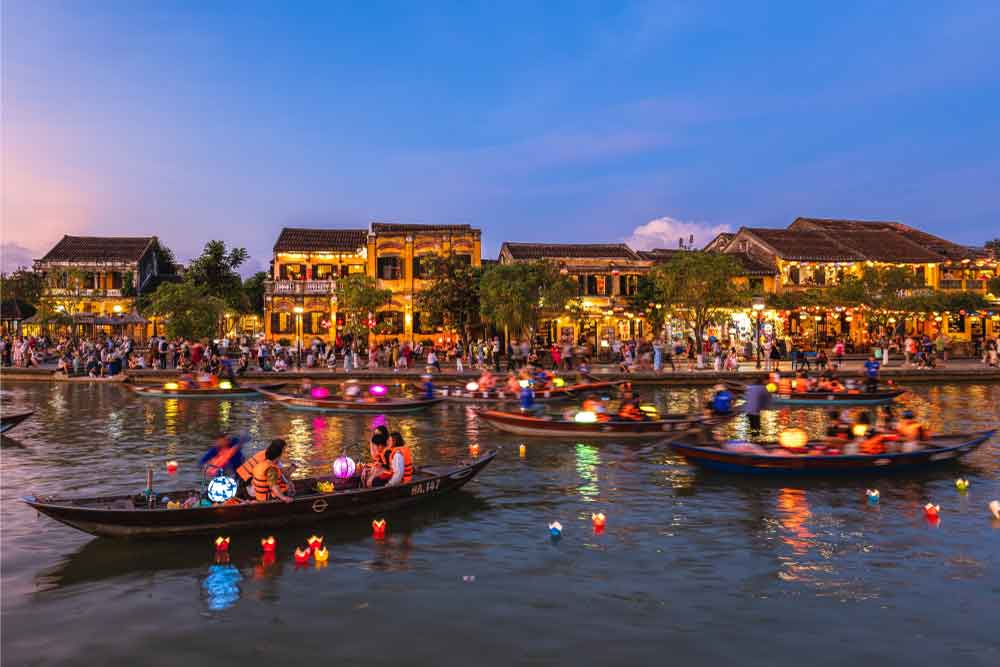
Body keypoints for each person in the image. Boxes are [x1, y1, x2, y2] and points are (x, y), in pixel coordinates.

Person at [251, 439, 294, 503]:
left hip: (260, 496)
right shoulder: (271, 469)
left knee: (287, 486)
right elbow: (274, 486)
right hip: (268, 498)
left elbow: (253, 482)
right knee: (288, 488)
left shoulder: (260, 465)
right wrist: (284, 498)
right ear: (278, 457)